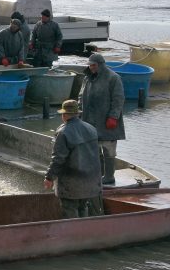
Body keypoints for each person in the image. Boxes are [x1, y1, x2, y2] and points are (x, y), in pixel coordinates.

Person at [43, 99, 104, 218]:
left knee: (69, 209)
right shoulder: (91, 129)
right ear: (77, 113)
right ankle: (84, 233)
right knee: (83, 206)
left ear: (64, 115)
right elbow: (99, 155)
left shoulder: (63, 132)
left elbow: (58, 159)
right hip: (89, 182)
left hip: (71, 183)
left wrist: (49, 177)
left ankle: (73, 234)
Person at [78, 53, 125, 186]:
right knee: (94, 149)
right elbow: (80, 96)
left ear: (101, 65)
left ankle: (109, 176)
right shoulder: (87, 78)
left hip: (107, 122)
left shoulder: (113, 78)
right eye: (90, 65)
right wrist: (79, 113)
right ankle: (99, 175)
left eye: (94, 65)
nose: (91, 68)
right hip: (90, 121)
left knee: (109, 150)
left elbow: (118, 99)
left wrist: (113, 117)